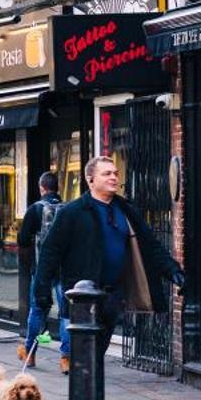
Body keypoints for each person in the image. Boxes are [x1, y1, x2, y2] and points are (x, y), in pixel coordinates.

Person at [29, 155, 183, 379]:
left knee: (96, 359)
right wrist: (42, 296)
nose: (114, 177)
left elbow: (150, 244)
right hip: (82, 299)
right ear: (90, 179)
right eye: (107, 173)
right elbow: (49, 254)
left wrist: (173, 271)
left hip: (113, 296)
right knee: (84, 361)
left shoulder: (125, 209)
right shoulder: (72, 212)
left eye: (115, 173)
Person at [16, 172, 63, 364]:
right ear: (57, 188)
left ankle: (30, 353)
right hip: (64, 269)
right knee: (66, 311)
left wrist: (28, 265)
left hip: (41, 268)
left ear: (41, 188)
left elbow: (22, 239)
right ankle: (66, 357)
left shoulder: (35, 209)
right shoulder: (68, 209)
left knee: (37, 309)